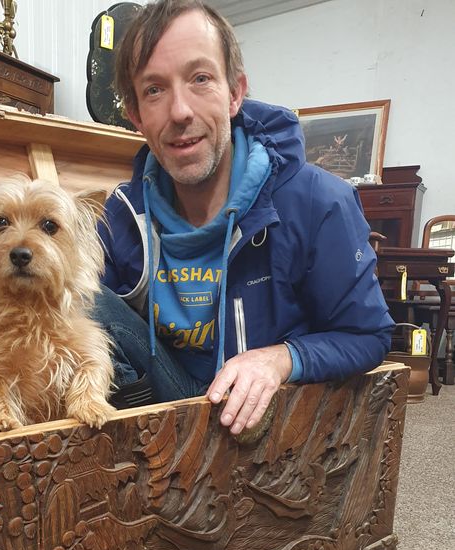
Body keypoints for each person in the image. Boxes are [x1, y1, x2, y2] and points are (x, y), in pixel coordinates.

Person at [94, 0, 395, 434]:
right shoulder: (122, 214)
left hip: (262, 429)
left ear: (235, 93)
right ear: (136, 115)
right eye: (154, 89)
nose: (180, 111)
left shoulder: (319, 201)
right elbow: (78, 319)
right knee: (79, 298)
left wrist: (278, 358)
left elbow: (369, 336)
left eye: (200, 79)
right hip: (164, 411)